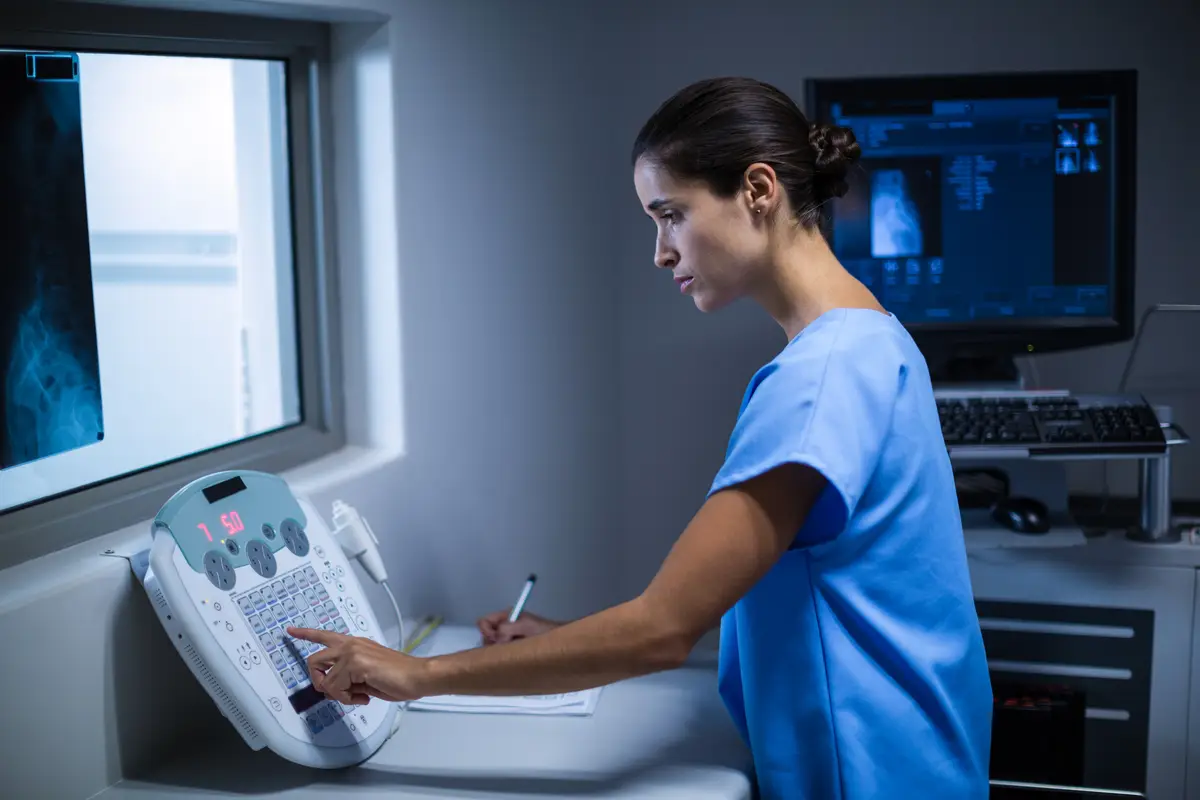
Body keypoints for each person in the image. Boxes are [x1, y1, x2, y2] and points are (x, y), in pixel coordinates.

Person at [288, 76, 993, 798]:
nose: (660, 251)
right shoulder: (874, 336)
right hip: (921, 756)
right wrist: (564, 638)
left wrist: (417, 674)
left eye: (671, 215)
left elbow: (662, 629)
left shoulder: (820, 378)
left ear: (757, 189)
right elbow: (802, 595)